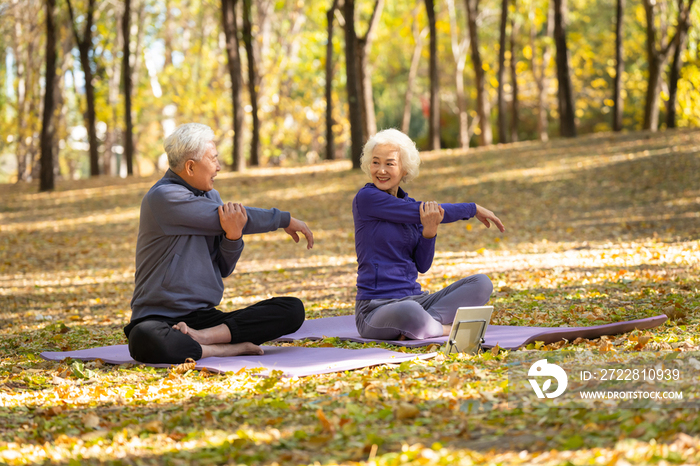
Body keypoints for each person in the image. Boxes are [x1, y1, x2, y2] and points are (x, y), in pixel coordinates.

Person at [125, 123, 314, 364]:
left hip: (204, 318)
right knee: (144, 337)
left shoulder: (212, 197)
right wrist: (283, 219)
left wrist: (233, 237)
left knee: (292, 309)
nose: (219, 167)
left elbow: (223, 268)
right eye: (213, 159)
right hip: (159, 318)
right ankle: (223, 349)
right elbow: (244, 218)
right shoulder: (163, 198)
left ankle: (201, 338)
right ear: (190, 166)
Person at [352, 129, 505, 340]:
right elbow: (431, 211)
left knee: (482, 283)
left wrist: (429, 233)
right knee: (408, 311)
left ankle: (421, 326)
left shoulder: (413, 209)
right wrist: (473, 208)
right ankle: (443, 328)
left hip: (417, 301)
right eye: (376, 162)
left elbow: (422, 265)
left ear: (404, 169)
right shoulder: (367, 198)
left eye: (390, 163)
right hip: (375, 309)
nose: (381, 170)